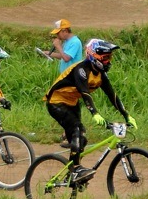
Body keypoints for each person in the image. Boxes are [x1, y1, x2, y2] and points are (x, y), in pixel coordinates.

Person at [44, 38, 137, 183]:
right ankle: (76, 170)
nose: (108, 61)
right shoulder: (81, 70)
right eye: (105, 58)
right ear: (94, 55)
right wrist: (95, 113)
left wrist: (127, 116)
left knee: (82, 139)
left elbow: (112, 96)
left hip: (72, 103)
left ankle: (72, 176)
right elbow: (85, 93)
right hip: (56, 102)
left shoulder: (100, 74)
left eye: (109, 58)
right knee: (76, 130)